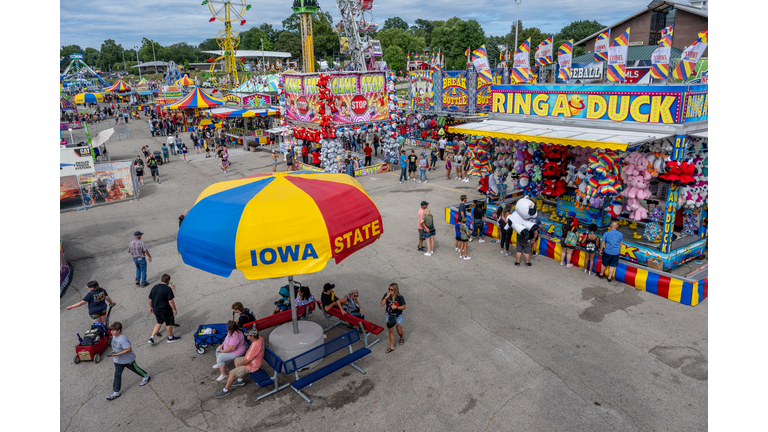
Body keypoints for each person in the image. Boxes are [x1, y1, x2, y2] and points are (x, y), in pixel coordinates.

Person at [106, 322, 150, 401]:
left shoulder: (123, 339)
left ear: (119, 330)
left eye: (113, 330)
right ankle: (116, 393)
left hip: (127, 359)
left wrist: (118, 354)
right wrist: (114, 354)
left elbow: (129, 349)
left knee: (135, 369)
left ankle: (146, 376)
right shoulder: (114, 337)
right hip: (118, 360)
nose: (111, 332)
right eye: (111, 330)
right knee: (117, 375)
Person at [214, 328, 264, 398]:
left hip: (253, 366)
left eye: (248, 335)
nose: (247, 336)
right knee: (236, 360)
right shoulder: (260, 338)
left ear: (252, 337)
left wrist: (241, 365)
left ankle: (225, 390)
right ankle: (240, 380)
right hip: (253, 360)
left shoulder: (254, 348)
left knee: (231, 373)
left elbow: (247, 361)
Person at [147, 273, 181, 344]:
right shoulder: (167, 289)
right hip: (165, 310)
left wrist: (151, 307)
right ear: (168, 281)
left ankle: (151, 338)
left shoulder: (155, 287)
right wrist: (174, 309)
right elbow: (170, 301)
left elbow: (150, 299)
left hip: (156, 309)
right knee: (168, 323)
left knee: (159, 322)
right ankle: (170, 338)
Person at [381, 283, 406, 354]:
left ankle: (401, 337)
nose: (390, 291)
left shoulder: (400, 297)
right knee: (390, 332)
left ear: (395, 290)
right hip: (389, 316)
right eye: (389, 289)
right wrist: (386, 297)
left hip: (398, 316)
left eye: (391, 289)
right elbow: (381, 304)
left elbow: (404, 307)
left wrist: (396, 307)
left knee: (399, 331)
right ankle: (392, 347)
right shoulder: (387, 296)